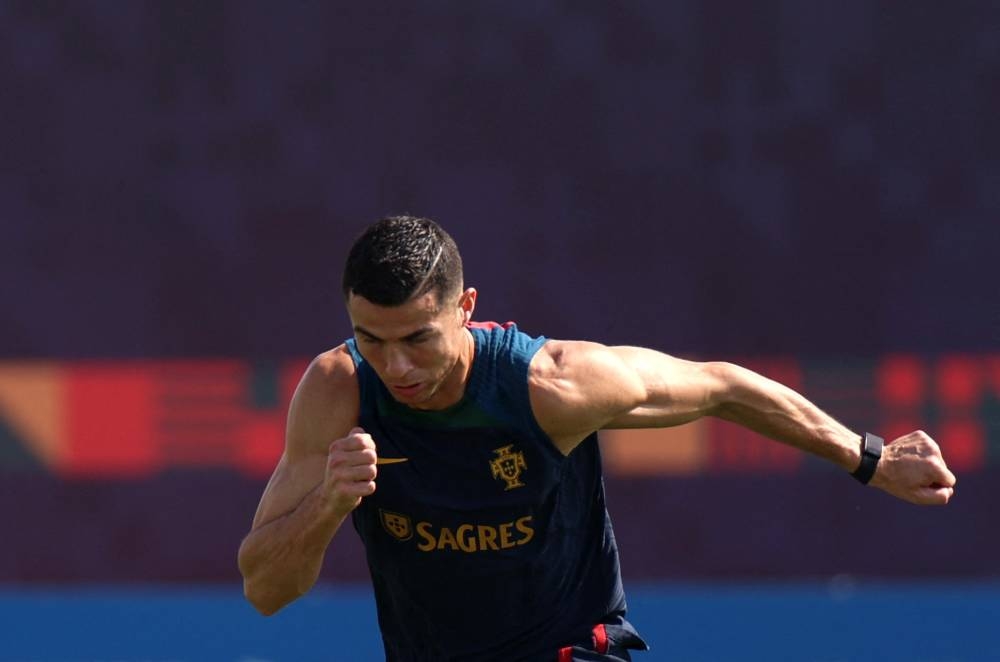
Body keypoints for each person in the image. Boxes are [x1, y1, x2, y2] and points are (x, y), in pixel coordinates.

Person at [237, 215, 956, 661]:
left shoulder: (552, 386)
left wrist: (870, 459)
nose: (396, 366)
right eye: (372, 339)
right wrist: (331, 502)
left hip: (570, 650)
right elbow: (268, 589)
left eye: (418, 338)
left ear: (467, 308)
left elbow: (723, 386)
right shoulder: (338, 391)